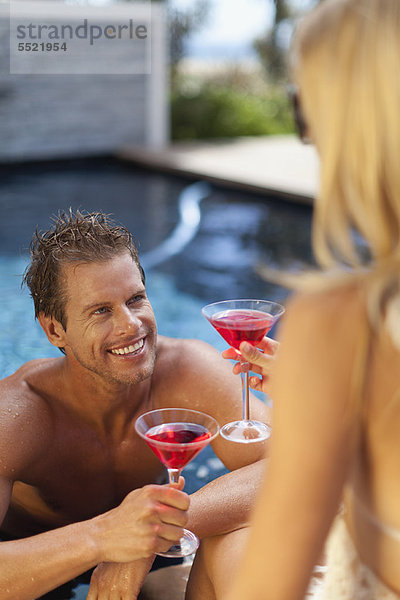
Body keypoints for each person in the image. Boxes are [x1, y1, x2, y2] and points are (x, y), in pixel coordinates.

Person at [221, 0, 400, 598]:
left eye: (304, 109)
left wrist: (324, 390)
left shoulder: (345, 321)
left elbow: (271, 584)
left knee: (225, 558)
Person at [0, 209, 269, 600]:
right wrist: (104, 538)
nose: (130, 325)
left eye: (136, 299)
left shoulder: (187, 371)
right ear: (54, 328)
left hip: (146, 551)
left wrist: (154, 531)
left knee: (242, 541)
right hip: (34, 565)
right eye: (101, 311)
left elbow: (291, 467)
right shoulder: (18, 415)